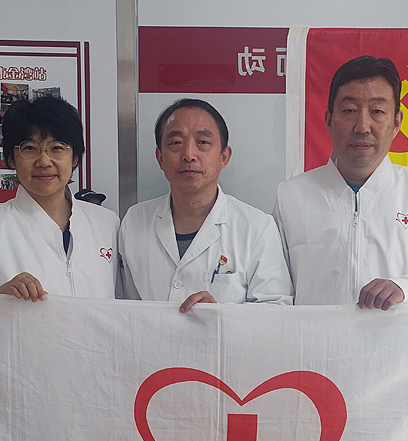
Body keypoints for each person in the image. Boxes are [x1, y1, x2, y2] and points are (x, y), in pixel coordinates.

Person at [274, 55, 408, 308]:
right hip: (314, 334)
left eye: (377, 111)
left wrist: (406, 288)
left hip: (397, 335)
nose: (363, 126)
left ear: (396, 122)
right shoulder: (291, 196)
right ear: (329, 120)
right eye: (349, 111)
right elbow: (275, 293)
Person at [119, 98, 292, 311]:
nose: (189, 155)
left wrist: (220, 317)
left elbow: (277, 311)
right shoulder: (135, 221)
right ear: (160, 157)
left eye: (202, 142)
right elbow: (125, 310)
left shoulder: (257, 227)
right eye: (176, 143)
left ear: (224, 157)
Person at [0, 95, 119, 299]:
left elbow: (124, 305)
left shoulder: (107, 223)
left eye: (57, 148)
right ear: (11, 159)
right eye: (30, 148)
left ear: (74, 157)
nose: (44, 161)